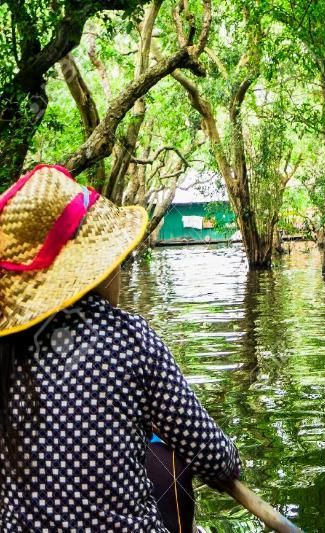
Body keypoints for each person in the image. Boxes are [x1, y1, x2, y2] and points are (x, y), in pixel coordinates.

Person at [0, 165, 241, 531]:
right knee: (166, 455)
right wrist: (230, 461)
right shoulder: (128, 337)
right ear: (94, 269)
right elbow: (214, 458)